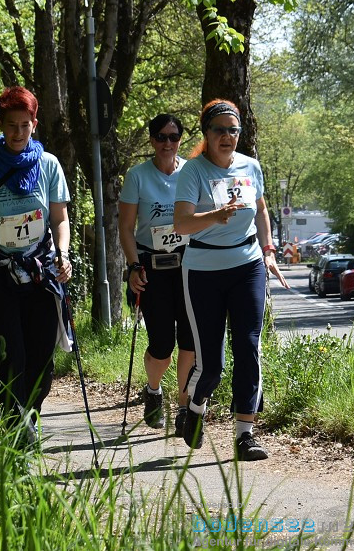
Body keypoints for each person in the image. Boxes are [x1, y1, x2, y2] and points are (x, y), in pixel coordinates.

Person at [173, 99, 289, 462]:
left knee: (249, 347)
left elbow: (262, 209)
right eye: (219, 130)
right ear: (206, 134)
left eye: (233, 130)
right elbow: (181, 224)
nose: (227, 137)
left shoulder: (251, 167)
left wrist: (269, 251)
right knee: (212, 362)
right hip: (203, 269)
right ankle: (193, 407)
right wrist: (214, 215)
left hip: (248, 263)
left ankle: (245, 435)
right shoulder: (193, 171)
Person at [0, 87, 73, 443]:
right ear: (1, 126)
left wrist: (63, 254)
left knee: (42, 357)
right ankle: (14, 428)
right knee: (12, 355)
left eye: (25, 125)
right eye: (11, 126)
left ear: (34, 124)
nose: (18, 133)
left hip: (41, 269)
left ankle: (30, 417)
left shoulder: (49, 164)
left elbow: (60, 218)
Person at [119, 113, 194, 434]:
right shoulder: (137, 176)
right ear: (152, 140)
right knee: (162, 343)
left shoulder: (191, 173)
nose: (167, 143)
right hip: (152, 267)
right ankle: (153, 391)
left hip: (190, 266)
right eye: (161, 137)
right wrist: (134, 266)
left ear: (180, 140)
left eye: (173, 137)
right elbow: (125, 227)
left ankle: (185, 408)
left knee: (190, 341)